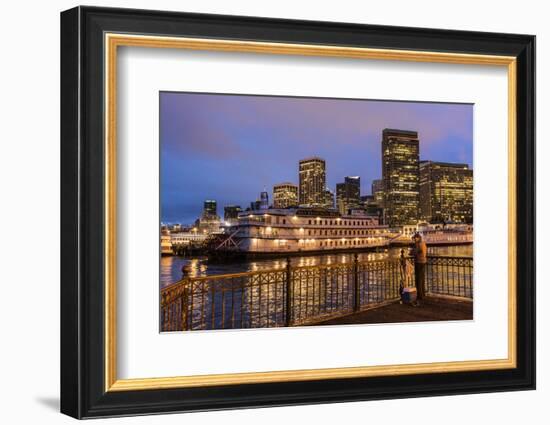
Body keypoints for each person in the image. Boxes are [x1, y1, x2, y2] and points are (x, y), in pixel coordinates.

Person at [412, 232, 427, 302]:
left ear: (418, 238)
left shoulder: (418, 244)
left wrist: (412, 252)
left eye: (415, 238)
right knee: (422, 278)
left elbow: (415, 252)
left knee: (418, 279)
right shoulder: (423, 243)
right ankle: (423, 293)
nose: (414, 239)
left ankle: (419, 295)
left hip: (419, 262)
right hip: (423, 262)